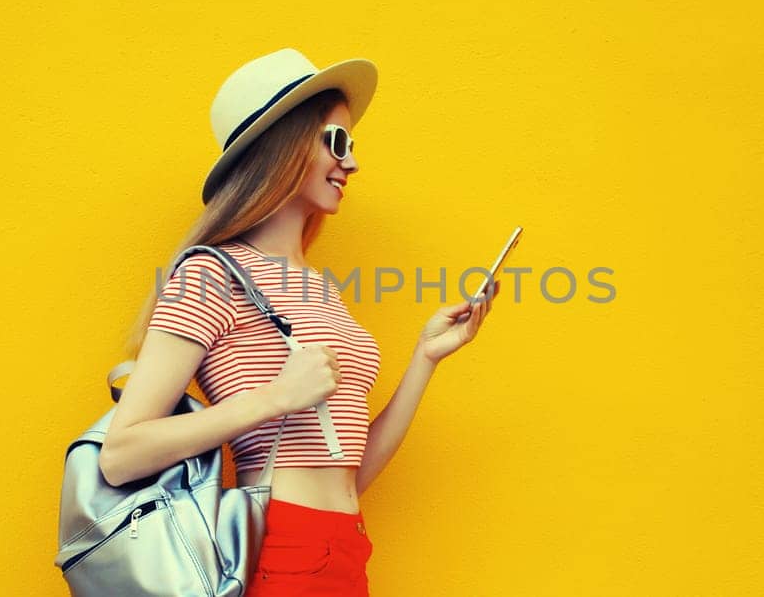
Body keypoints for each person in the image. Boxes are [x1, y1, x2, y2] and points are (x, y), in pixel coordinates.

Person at [97, 48, 501, 596]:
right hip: (279, 552)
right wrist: (275, 398)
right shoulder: (212, 275)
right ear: (283, 149)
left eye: (352, 146)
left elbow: (348, 474)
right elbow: (122, 455)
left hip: (346, 548)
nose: (352, 163)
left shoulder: (320, 291)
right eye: (337, 142)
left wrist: (425, 359)